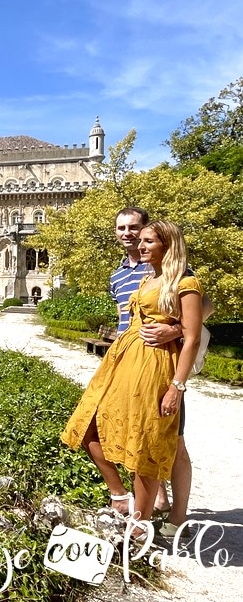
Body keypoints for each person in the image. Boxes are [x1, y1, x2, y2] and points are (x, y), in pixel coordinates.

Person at [61, 220, 203, 534]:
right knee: (91, 426)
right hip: (125, 361)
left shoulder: (184, 279)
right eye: (139, 239)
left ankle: (149, 524)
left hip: (156, 366)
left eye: (148, 240)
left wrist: (176, 385)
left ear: (167, 244)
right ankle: (127, 500)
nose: (139, 243)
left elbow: (193, 332)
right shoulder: (140, 277)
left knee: (153, 444)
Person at [110, 208, 212, 536]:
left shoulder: (176, 271)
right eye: (123, 229)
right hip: (130, 362)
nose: (130, 236)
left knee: (172, 442)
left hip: (163, 363)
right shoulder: (124, 275)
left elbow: (202, 310)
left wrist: (174, 330)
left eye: (137, 230)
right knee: (137, 437)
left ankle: (174, 517)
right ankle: (154, 503)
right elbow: (125, 320)